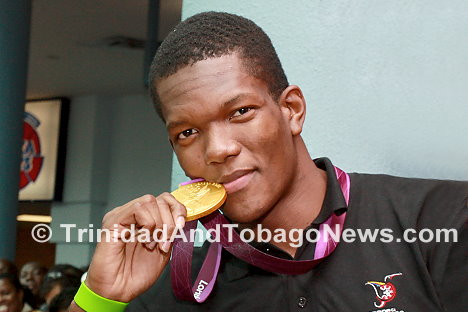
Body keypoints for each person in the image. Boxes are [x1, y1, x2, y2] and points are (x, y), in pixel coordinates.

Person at [68, 11, 467, 311]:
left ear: (291, 109)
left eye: (240, 111)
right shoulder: (174, 286)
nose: (217, 150)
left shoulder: (441, 222)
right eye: (187, 133)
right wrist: (101, 296)